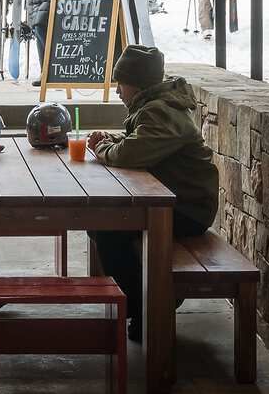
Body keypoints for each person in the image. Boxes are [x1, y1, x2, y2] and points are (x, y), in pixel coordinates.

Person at [84, 45, 218, 343]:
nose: (118, 91)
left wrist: (103, 148)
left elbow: (132, 152)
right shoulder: (155, 106)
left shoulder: (160, 111)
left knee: (108, 227)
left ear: (137, 84)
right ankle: (143, 298)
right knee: (103, 224)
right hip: (178, 199)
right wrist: (112, 139)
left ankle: (145, 305)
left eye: (120, 84)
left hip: (187, 208)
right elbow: (141, 141)